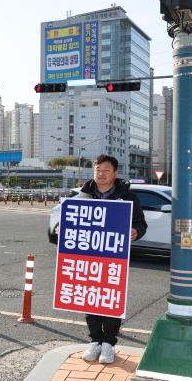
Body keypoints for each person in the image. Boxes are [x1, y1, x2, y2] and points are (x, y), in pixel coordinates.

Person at [78, 155, 147, 364]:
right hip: (88, 256)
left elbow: (141, 224)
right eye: (98, 170)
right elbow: (70, 219)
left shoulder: (127, 197)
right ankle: (95, 341)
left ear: (115, 173)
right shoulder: (84, 195)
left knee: (110, 299)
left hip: (114, 258)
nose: (101, 174)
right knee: (90, 298)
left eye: (106, 170)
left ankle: (108, 344)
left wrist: (136, 231)